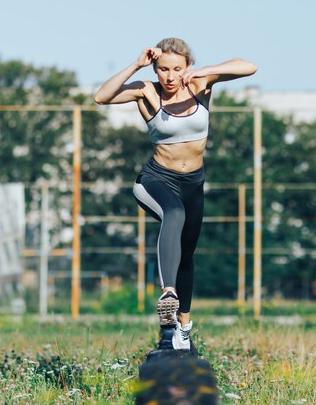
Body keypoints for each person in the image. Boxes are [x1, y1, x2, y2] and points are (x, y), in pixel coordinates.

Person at [94, 38, 257, 350]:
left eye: (176, 69)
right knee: (174, 214)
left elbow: (249, 66)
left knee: (187, 256)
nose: (169, 76)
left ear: (187, 67)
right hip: (155, 180)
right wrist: (136, 65)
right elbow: (101, 97)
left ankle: (182, 323)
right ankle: (168, 292)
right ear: (156, 69)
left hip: (194, 183)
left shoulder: (201, 84)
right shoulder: (147, 90)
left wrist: (205, 72)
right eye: (163, 69)